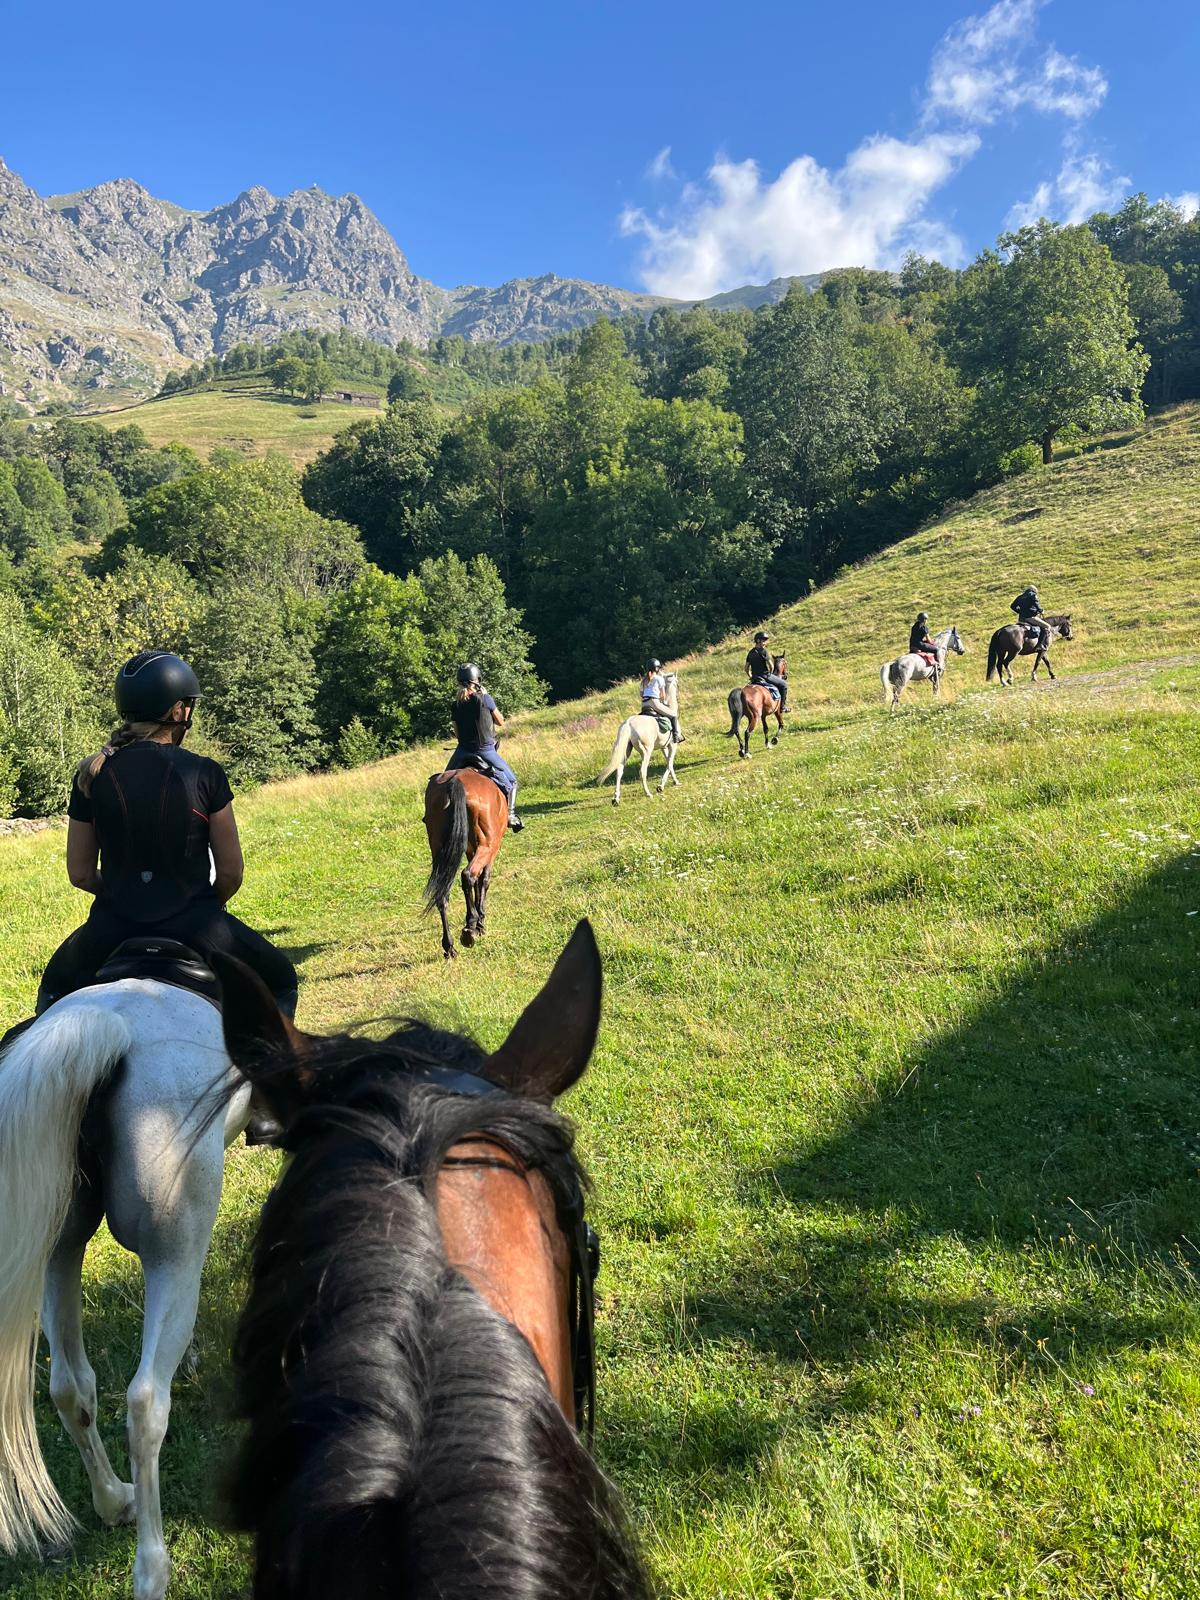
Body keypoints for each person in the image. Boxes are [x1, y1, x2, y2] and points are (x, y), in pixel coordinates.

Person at [32, 652, 299, 1029]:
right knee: (282, 979)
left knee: (54, 989)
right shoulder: (205, 773)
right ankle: (273, 1076)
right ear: (177, 711)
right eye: (188, 706)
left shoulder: (92, 774)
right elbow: (231, 872)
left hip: (113, 925)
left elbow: (80, 874)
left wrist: (127, 893)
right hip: (198, 925)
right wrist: (202, 905)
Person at [446, 663, 524, 830]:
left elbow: (458, 734)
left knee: (443, 782)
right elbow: (501, 722)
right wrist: (487, 698)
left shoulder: (455, 705)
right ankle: (510, 815)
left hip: (462, 751)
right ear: (477, 681)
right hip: (485, 750)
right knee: (512, 781)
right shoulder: (485, 699)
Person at [640, 659, 684, 742]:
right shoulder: (659, 679)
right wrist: (663, 702)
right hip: (654, 702)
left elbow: (641, 694)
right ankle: (676, 736)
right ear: (657, 669)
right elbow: (663, 695)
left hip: (644, 704)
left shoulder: (643, 680)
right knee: (673, 715)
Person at [745, 631, 789, 712]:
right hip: (765, 675)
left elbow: (746, 668)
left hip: (755, 677)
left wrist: (750, 676)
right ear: (758, 641)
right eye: (764, 641)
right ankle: (782, 707)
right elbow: (771, 666)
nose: (765, 643)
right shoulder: (763, 651)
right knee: (784, 684)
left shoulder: (750, 653)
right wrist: (770, 673)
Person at [1011, 585, 1048, 651]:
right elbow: (1037, 605)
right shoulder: (1033, 595)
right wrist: (1041, 611)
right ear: (1034, 591)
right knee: (1047, 627)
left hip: (1021, 619)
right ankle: (1040, 645)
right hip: (1030, 618)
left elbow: (1012, 606)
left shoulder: (1020, 597)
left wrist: (1019, 612)